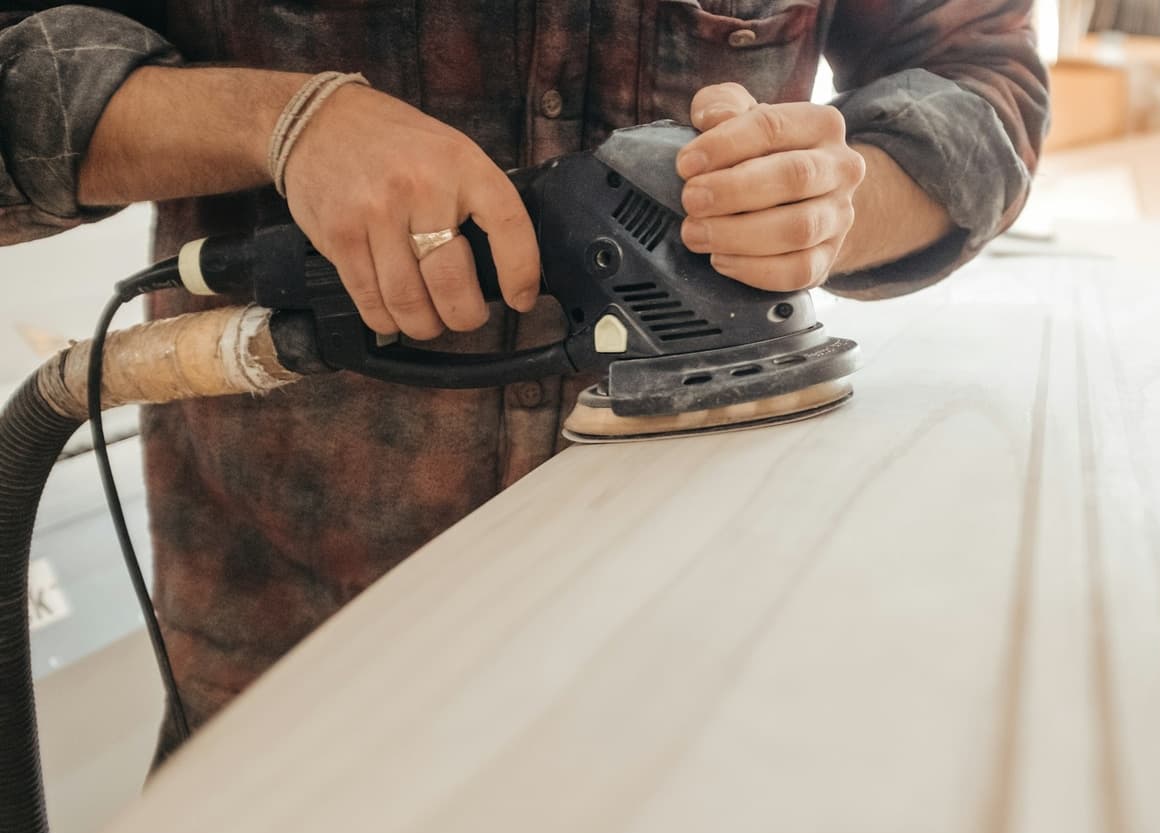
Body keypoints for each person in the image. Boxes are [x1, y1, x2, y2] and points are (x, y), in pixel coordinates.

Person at [0, 1, 1047, 757]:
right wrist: (279, 122)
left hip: (702, 633)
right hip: (299, 650)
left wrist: (828, 207)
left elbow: (984, 80)